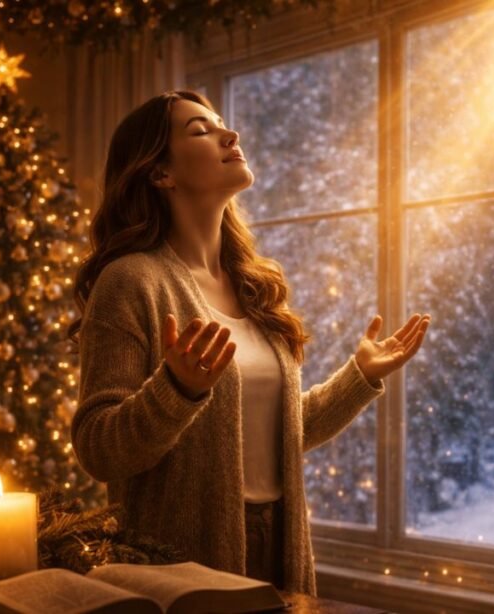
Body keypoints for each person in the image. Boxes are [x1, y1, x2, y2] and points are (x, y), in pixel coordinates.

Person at [67, 90, 431, 595]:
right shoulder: (130, 281)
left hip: (279, 543)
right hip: (183, 562)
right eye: (201, 130)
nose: (230, 134)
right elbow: (98, 450)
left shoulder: (253, 285)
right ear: (160, 173)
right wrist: (176, 389)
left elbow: (279, 433)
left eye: (221, 122)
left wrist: (359, 376)